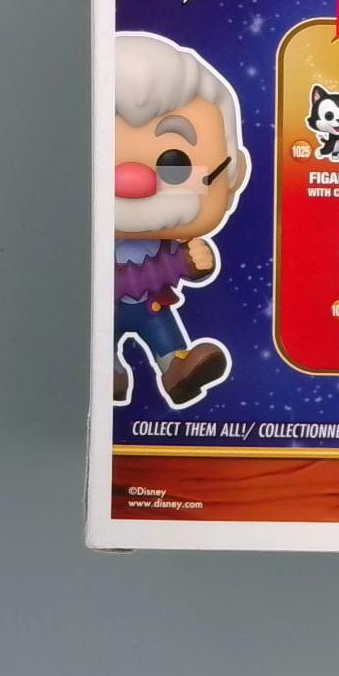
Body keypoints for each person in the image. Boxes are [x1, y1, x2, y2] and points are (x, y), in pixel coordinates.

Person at [114, 32, 250, 407]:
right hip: (99, 310)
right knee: (97, 339)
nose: (131, 181)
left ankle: (176, 367)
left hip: (151, 305)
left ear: (233, 174)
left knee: (164, 333)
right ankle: (104, 369)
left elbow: (177, 266)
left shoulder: (168, 245)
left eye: (176, 164)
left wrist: (193, 262)